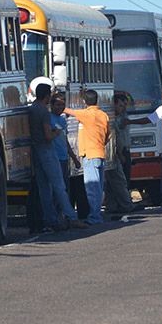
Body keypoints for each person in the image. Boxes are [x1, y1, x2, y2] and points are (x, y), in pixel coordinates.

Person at [29, 84, 88, 232]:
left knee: (44, 189)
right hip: (47, 151)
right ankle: (71, 217)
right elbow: (48, 136)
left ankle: (50, 220)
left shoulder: (32, 109)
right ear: (47, 96)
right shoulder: (43, 112)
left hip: (35, 151)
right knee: (59, 187)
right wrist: (57, 132)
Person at [64, 89, 110, 225]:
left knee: (92, 188)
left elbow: (68, 111)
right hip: (100, 152)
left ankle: (95, 217)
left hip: (90, 154)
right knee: (98, 187)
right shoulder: (103, 115)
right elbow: (108, 134)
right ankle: (96, 215)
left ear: (85, 102)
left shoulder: (86, 114)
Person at [104, 94, 136, 214]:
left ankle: (114, 205)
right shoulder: (111, 119)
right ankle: (124, 204)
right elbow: (114, 138)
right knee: (119, 180)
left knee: (120, 180)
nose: (123, 108)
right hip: (116, 152)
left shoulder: (124, 116)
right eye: (120, 105)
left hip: (125, 149)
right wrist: (120, 154)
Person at [50, 93, 80, 190]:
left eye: (63, 105)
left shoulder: (62, 120)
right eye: (58, 105)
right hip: (54, 158)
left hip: (64, 158)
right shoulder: (49, 119)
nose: (61, 107)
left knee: (65, 187)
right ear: (52, 105)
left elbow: (65, 141)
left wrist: (74, 159)